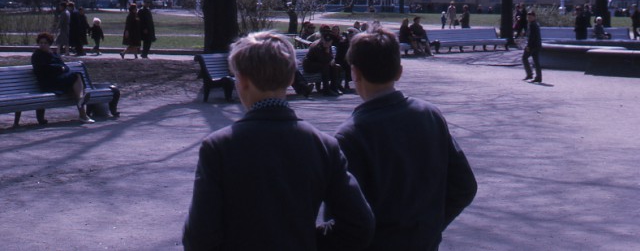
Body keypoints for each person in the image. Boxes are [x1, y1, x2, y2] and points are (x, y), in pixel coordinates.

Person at [182, 31, 375, 250]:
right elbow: (359, 224)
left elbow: (199, 237)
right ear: (291, 78)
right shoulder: (322, 145)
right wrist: (308, 240)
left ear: (242, 81)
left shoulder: (219, 147)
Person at [324, 28, 477, 250]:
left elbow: (345, 220)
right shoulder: (430, 115)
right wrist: (429, 227)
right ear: (399, 72)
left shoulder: (350, 136)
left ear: (354, 73)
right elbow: (464, 186)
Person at [31, 32, 94, 123]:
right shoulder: (37, 55)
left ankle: (82, 107)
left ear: (49, 44)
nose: (43, 45)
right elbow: (43, 69)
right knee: (76, 77)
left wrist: (60, 68)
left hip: (58, 80)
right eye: (41, 43)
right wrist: (59, 68)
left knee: (77, 76)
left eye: (45, 43)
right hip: (48, 83)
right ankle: (82, 107)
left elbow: (65, 67)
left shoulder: (54, 54)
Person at [303, 25, 342, 96]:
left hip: (320, 64)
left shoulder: (328, 44)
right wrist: (327, 53)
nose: (328, 42)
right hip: (309, 65)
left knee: (336, 66)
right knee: (325, 67)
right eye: (326, 40)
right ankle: (326, 90)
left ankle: (334, 87)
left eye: (329, 41)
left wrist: (332, 61)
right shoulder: (317, 46)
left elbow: (330, 58)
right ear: (322, 39)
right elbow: (323, 60)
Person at [522, 10, 542, 83]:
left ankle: (529, 74)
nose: (529, 18)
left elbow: (531, 37)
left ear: (534, 17)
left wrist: (528, 46)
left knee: (524, 58)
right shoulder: (535, 24)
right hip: (537, 45)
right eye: (528, 17)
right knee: (536, 61)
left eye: (530, 17)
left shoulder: (532, 25)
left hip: (532, 46)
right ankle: (538, 77)